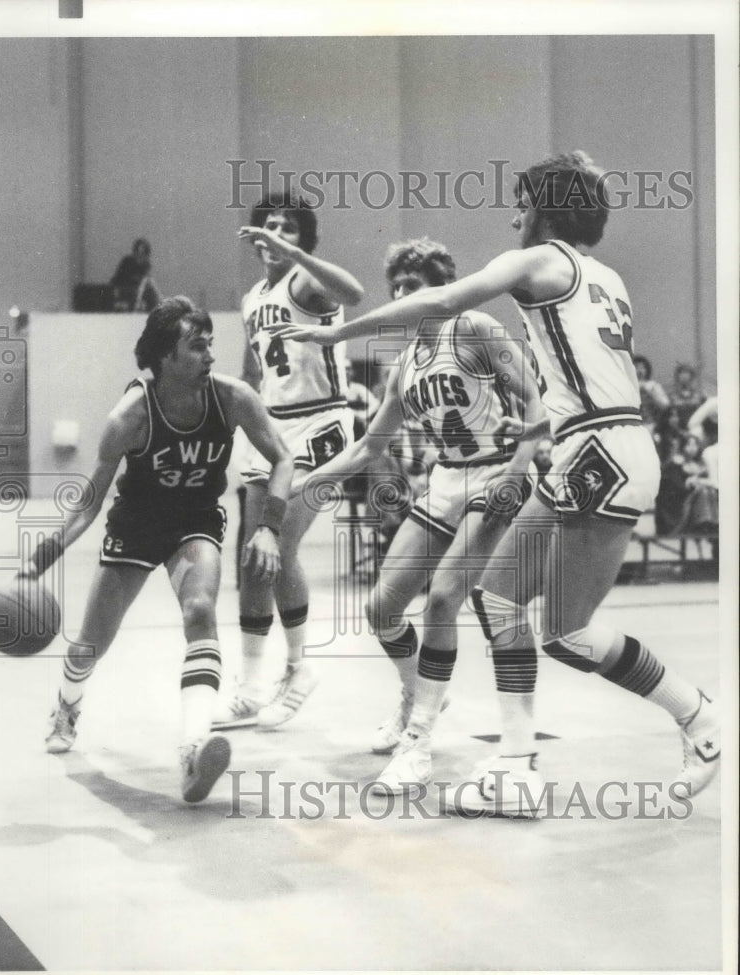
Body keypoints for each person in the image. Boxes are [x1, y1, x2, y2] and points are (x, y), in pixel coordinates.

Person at [279, 151, 720, 813]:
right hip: (625, 449)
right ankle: (697, 720)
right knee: (562, 631)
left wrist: (341, 329)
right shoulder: (606, 277)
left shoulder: (540, 258)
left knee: (500, 601)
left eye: (521, 202)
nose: (513, 216)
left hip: (592, 448)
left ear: (545, 209)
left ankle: (519, 764)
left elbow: (443, 298)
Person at [290, 238, 544, 794]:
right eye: (397, 288)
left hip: (498, 469)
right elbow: (367, 448)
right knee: (381, 606)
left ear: (441, 288)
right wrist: (311, 479)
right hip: (447, 479)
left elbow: (535, 403)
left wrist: (518, 468)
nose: (404, 296)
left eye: (415, 285)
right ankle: (417, 693)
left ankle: (419, 744)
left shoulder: (474, 328)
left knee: (444, 598)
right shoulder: (402, 366)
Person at [16, 297, 293, 804]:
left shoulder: (233, 397)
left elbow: (282, 457)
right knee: (89, 646)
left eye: (211, 343)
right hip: (138, 525)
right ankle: (67, 704)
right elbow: (88, 503)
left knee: (202, 610)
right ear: (165, 356)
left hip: (195, 520)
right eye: (197, 346)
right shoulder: (131, 414)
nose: (210, 354)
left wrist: (269, 526)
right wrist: (39, 562)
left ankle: (192, 746)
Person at [212, 193, 364, 730]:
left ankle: (300, 667)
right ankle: (252, 685)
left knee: (282, 544)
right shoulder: (253, 296)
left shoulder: (307, 282)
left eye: (289, 229)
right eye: (269, 227)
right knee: (255, 560)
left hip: (321, 422)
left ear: (304, 240)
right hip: (271, 430)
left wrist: (293, 252)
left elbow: (356, 292)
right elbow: (251, 373)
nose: (276, 234)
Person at [110, 238, 162, 312]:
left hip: (138, 290)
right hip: (125, 288)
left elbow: (143, 282)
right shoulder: (127, 261)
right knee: (146, 283)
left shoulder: (146, 264)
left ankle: (158, 309)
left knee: (149, 284)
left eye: (142, 253)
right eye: (138, 252)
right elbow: (119, 278)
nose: (139, 255)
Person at [633, 355, 669, 433]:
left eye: (642, 368)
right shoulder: (627, 385)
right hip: (632, 425)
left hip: (651, 425)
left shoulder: (654, 386)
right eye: (636, 367)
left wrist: (651, 393)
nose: (639, 371)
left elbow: (665, 405)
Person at [668, 362, 706, 427]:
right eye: (681, 373)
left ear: (691, 376)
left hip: (696, 426)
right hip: (679, 428)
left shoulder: (699, 393)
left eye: (686, 373)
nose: (684, 375)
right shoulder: (672, 395)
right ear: (677, 376)